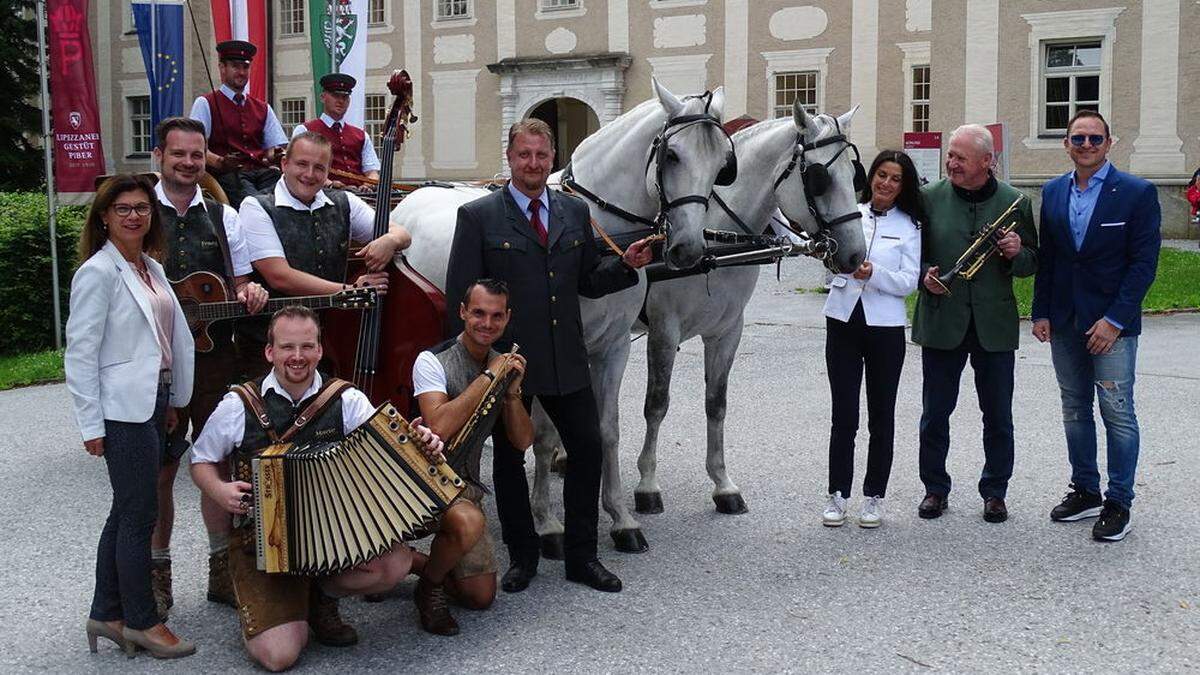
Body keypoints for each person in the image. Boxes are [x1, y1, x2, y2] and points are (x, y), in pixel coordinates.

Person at [444, 119, 654, 594]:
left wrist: (624, 265)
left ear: (552, 159)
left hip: (566, 359)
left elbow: (586, 281)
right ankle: (523, 556)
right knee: (511, 459)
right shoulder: (479, 216)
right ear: (510, 157)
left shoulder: (572, 213)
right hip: (509, 366)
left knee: (588, 449)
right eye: (524, 155)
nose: (533, 164)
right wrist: (473, 368)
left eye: (541, 156)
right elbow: (460, 297)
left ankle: (582, 556)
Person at [189, 306, 444, 671]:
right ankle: (265, 595)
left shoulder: (346, 400)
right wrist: (219, 490)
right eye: (287, 347)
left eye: (307, 346)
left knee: (395, 562)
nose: (297, 357)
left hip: (332, 537)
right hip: (264, 546)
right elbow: (200, 461)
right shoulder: (238, 405)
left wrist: (424, 440)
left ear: (320, 350)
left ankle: (322, 595)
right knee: (279, 657)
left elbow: (394, 443)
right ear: (269, 351)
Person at [66, 174, 196, 658]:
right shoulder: (97, 273)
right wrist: (90, 425)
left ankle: (105, 611)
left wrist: (172, 401)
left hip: (154, 402)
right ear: (104, 217)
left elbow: (167, 341)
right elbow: (80, 354)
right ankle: (141, 620)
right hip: (121, 412)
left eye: (142, 207)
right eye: (122, 208)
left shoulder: (151, 268)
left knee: (126, 509)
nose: (134, 216)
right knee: (140, 513)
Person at [147, 117, 269, 619]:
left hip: (216, 361)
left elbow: (239, 281)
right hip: (154, 368)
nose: (189, 164)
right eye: (179, 154)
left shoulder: (225, 216)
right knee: (162, 471)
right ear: (159, 156)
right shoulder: (136, 211)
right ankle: (157, 573)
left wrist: (251, 292)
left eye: (197, 156)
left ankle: (223, 570)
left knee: (217, 463)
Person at [1032, 110, 1161, 542]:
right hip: (1065, 320)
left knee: (1117, 414)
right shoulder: (1052, 193)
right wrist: (1041, 311)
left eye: (1094, 139)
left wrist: (1115, 320)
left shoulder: (1137, 193)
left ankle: (1118, 501)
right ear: (1066, 144)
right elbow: (1050, 258)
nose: (1086, 145)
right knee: (1073, 408)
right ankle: (1085, 489)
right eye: (1078, 139)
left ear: (1110, 143)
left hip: (1112, 326)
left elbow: (1143, 266)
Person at [912, 123, 1038, 524]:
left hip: (993, 323)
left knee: (998, 415)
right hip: (941, 319)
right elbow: (909, 254)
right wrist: (923, 276)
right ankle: (935, 489)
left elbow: (1032, 262)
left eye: (960, 157)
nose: (951, 163)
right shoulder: (928, 198)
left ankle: (995, 491)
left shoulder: (1015, 202)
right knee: (935, 412)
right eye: (950, 154)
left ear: (987, 161)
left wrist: (1017, 253)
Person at [409, 279, 535, 632]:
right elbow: (439, 426)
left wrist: (510, 395)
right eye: (478, 313)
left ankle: (428, 565)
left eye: (497, 316)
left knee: (480, 597)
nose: (487, 323)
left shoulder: (505, 364)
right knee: (375, 572)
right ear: (462, 312)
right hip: (416, 480)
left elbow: (523, 441)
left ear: (507, 318)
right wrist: (489, 376)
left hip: (462, 485)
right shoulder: (431, 361)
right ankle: (428, 581)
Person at [821, 150, 924, 529]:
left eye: (895, 179)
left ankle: (873, 496)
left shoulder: (910, 226)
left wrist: (872, 273)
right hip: (843, 321)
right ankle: (837, 493)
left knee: (881, 415)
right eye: (882, 175)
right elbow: (829, 260)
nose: (886, 183)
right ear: (872, 177)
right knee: (843, 414)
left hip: (885, 328)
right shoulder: (851, 214)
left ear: (903, 186)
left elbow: (907, 282)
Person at [238, 131, 411, 351]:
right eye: (302, 164)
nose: (309, 174)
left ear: (328, 171)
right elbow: (280, 277)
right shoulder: (255, 206)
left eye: (319, 167)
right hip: (273, 342)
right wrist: (349, 292)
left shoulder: (344, 201)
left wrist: (390, 240)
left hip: (331, 336)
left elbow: (403, 233)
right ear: (284, 164)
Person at [188, 40, 288, 207]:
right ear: (222, 68)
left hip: (262, 173)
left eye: (245, 67)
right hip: (229, 176)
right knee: (256, 202)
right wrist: (220, 161)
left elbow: (272, 148)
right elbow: (196, 148)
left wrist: (275, 154)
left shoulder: (263, 108)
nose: (241, 72)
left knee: (289, 190)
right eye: (235, 66)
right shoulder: (205, 103)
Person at [292, 73, 381, 188]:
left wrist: (368, 185)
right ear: (323, 97)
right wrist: (330, 184)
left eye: (344, 97)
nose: (340, 101)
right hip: (323, 194)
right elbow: (300, 168)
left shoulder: (362, 135)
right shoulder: (305, 131)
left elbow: (372, 172)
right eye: (335, 96)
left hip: (360, 196)